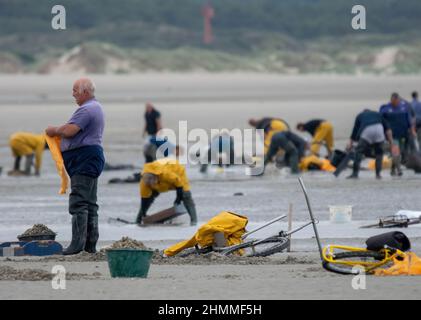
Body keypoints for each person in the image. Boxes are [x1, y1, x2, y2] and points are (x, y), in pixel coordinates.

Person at [46, 78, 105, 255]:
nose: (73, 94)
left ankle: (77, 245)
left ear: (85, 92)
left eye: (75, 90)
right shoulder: (95, 107)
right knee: (90, 202)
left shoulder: (87, 109)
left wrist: (54, 130)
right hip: (89, 157)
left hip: (84, 159)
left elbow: (70, 130)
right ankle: (89, 244)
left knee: (79, 201)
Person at [136, 158, 197, 226]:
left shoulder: (166, 174)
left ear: (155, 177)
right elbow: (144, 200)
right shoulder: (144, 183)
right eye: (148, 183)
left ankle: (194, 221)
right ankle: (137, 220)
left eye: (151, 182)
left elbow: (179, 184)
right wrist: (143, 213)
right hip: (161, 183)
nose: (149, 184)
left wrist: (178, 199)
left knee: (185, 195)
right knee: (149, 198)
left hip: (177, 171)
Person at [347, 109, 394, 179]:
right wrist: (391, 143)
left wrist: (350, 145)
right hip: (379, 130)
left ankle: (355, 174)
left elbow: (354, 132)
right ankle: (378, 174)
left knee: (359, 152)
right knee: (379, 154)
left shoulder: (360, 115)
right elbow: (388, 130)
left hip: (367, 131)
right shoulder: (378, 114)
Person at [380, 93, 416, 176]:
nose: (395, 102)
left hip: (403, 135)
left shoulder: (404, 108)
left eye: (396, 100)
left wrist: (412, 131)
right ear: (391, 100)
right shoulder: (385, 109)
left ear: (398, 100)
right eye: (393, 100)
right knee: (396, 152)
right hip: (392, 136)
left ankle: (392, 169)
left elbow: (409, 121)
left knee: (400, 152)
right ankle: (399, 170)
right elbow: (380, 121)